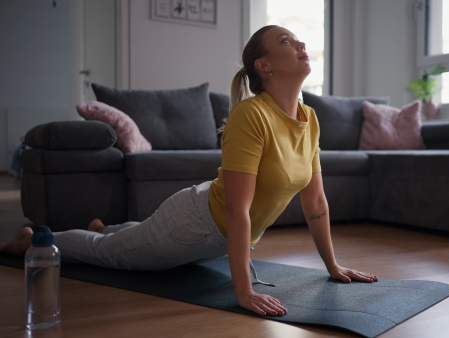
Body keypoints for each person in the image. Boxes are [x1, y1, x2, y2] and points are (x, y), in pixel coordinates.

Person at [0, 25, 378, 317]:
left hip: (212, 234)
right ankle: (34, 240)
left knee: (137, 238)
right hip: (195, 224)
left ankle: (110, 227)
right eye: (286, 40)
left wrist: (333, 266)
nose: (300, 45)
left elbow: (316, 203)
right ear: (264, 66)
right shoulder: (251, 114)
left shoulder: (309, 117)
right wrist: (243, 292)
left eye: (298, 40)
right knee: (111, 254)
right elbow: (236, 209)